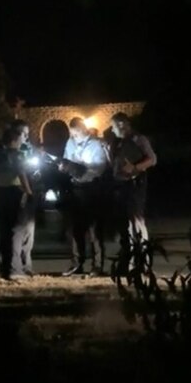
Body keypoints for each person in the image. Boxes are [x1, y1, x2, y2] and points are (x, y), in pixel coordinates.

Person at [59, 117, 109, 277]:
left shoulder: (95, 144)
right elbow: (67, 158)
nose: (74, 136)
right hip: (75, 188)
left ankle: (97, 265)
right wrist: (66, 166)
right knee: (75, 228)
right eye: (72, 134)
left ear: (83, 130)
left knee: (94, 229)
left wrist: (83, 169)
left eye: (76, 133)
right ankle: (76, 263)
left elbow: (100, 167)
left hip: (91, 188)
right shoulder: (70, 142)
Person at [108, 112, 157, 260]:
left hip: (135, 183)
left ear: (122, 124)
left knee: (137, 219)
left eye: (113, 126)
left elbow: (152, 159)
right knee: (127, 220)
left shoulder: (138, 139)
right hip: (122, 184)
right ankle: (132, 253)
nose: (112, 130)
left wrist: (136, 167)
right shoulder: (118, 142)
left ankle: (143, 254)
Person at [0, 123, 35, 280]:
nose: (26, 138)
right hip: (16, 192)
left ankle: (5, 268)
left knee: (6, 230)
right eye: (23, 135)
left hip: (2, 192)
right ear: (16, 137)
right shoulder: (16, 154)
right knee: (18, 230)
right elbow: (21, 173)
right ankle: (15, 269)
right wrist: (29, 193)